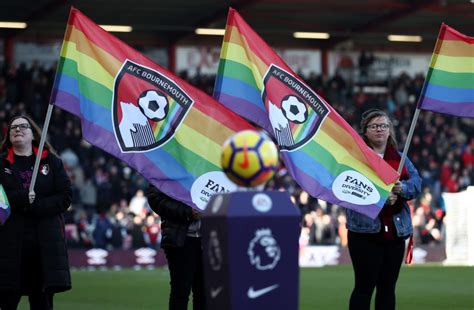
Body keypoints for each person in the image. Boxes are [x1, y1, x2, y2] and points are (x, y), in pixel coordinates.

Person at [345, 109, 421, 310]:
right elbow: (346, 190)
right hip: (363, 233)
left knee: (387, 289)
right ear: (366, 132)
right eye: (374, 126)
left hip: (395, 233)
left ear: (390, 131)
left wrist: (401, 188)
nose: (379, 129)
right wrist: (378, 198)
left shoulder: (400, 159)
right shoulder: (356, 159)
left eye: (383, 125)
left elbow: (416, 184)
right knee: (364, 288)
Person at [0, 115, 72, 309]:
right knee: (7, 301)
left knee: (42, 302)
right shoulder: (1, 164)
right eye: (13, 127)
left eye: (24, 126)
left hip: (44, 246)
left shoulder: (52, 162)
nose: (18, 130)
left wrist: (36, 205)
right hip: (9, 245)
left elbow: (65, 197)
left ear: (33, 134)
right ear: (8, 136)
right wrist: (20, 198)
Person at [146, 185, 205, 310]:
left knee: (204, 294)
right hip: (181, 240)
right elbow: (155, 198)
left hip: (209, 240)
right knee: (181, 293)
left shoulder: (208, 168)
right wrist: (187, 212)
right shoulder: (169, 167)